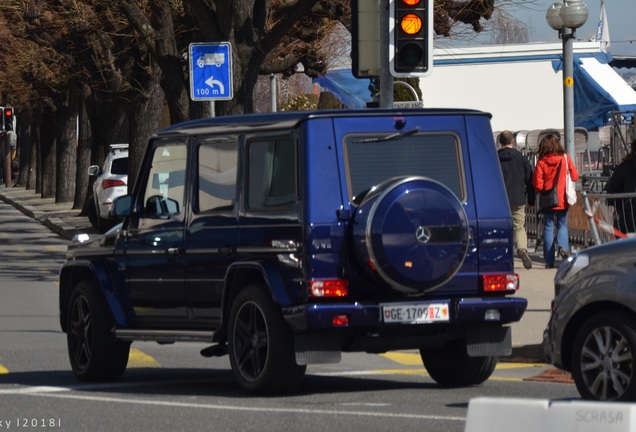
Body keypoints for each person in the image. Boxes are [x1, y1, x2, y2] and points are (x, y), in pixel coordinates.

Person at [532, 134, 579, 269]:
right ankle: (563, 248)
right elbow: (575, 176)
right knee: (562, 225)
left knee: (548, 227)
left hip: (548, 200)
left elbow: (538, 185)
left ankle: (549, 261)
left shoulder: (541, 162)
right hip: (562, 199)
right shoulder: (565, 159)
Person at [497, 130, 535, 269]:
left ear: (500, 142)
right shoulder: (521, 157)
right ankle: (522, 250)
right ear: (512, 141)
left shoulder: (494, 158)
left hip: (499, 199)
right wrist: (531, 200)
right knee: (519, 226)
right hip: (518, 197)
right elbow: (529, 179)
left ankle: (502, 253)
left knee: (501, 227)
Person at [606, 139, 636, 234]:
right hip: (628, 214)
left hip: (627, 215)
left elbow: (612, 191)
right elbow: (613, 190)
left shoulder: (622, 168)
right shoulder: (624, 168)